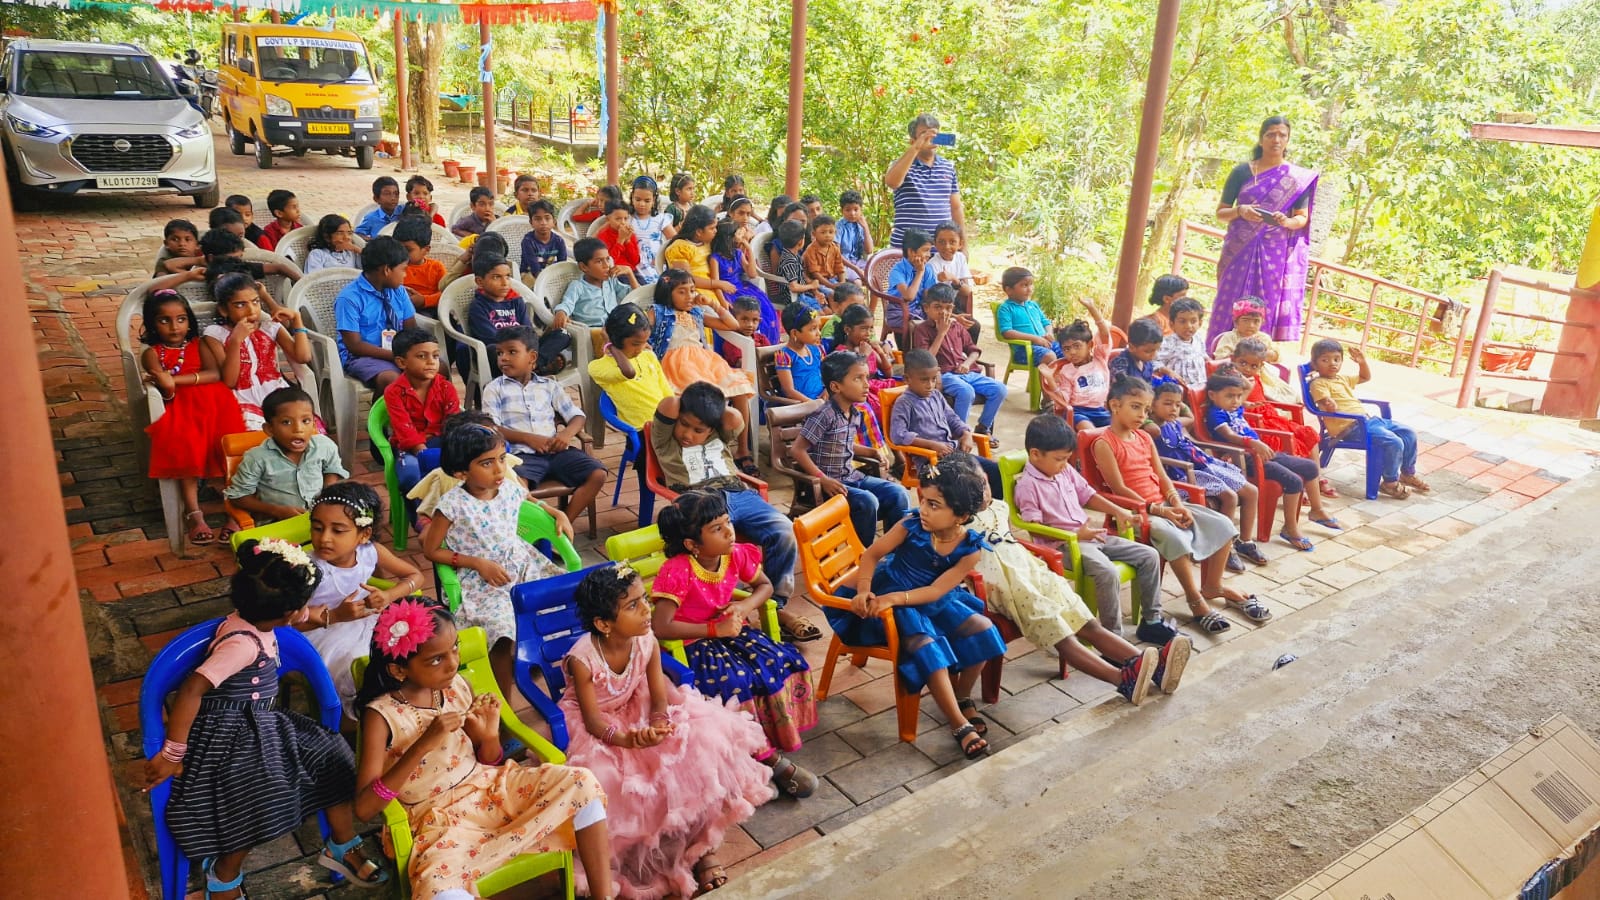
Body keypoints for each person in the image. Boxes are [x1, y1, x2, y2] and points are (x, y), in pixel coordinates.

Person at [143, 539, 386, 900]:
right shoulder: (241, 644)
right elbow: (192, 689)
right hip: (228, 737)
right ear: (288, 612)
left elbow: (307, 618)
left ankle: (341, 842)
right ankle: (223, 875)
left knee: (331, 754)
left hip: (264, 724)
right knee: (260, 795)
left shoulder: (259, 615)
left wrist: (337, 615)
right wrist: (173, 753)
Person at [354, 600, 612, 900]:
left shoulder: (455, 686)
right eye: (436, 660)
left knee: (582, 783)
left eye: (455, 648)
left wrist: (489, 737)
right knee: (440, 891)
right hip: (437, 821)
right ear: (398, 669)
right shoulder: (381, 716)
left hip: (490, 791)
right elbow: (364, 809)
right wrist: (422, 745)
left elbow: (488, 759)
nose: (453, 663)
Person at [561, 565, 774, 897]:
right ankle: (630, 862)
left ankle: (700, 848)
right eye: (633, 605)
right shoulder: (583, 658)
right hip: (601, 727)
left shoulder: (646, 639)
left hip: (639, 704)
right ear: (604, 624)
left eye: (644, 599)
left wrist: (659, 722)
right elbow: (593, 722)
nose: (646, 610)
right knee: (609, 780)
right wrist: (628, 740)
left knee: (699, 746)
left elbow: (658, 695)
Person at [826, 454, 1004, 758]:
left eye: (934, 505)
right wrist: (865, 590)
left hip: (930, 600)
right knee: (927, 648)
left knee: (985, 630)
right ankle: (958, 723)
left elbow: (936, 591)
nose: (923, 509)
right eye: (924, 500)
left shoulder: (969, 549)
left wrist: (896, 598)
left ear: (961, 516)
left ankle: (961, 696)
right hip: (893, 596)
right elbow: (871, 555)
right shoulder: (911, 525)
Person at [651, 491, 819, 795]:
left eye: (727, 522)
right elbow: (661, 626)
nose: (729, 531)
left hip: (731, 631)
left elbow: (765, 586)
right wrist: (713, 629)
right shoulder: (678, 570)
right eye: (717, 528)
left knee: (783, 659)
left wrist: (743, 607)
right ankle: (761, 756)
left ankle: (772, 736)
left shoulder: (736, 554)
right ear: (692, 544)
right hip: (693, 643)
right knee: (735, 682)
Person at [969, 482, 1188, 699]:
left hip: (1035, 575)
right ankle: (1122, 680)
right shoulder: (959, 525)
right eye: (977, 486)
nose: (985, 491)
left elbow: (1012, 543)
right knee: (1062, 635)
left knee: (1088, 623)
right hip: (1008, 589)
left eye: (986, 483)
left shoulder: (999, 506)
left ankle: (1153, 667)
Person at [1090, 376, 1268, 629]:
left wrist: (1178, 504)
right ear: (1115, 405)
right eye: (1135, 407)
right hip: (1136, 513)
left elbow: (1162, 477)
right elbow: (1119, 489)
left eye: (1146, 409)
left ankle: (1213, 586)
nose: (1142, 415)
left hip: (1164, 505)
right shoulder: (1104, 443)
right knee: (1173, 537)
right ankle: (1195, 600)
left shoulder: (1144, 438)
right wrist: (1161, 511)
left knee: (1223, 525)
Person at [652, 384, 819, 642]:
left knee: (785, 531)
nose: (687, 434)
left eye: (698, 430)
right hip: (701, 500)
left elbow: (734, 416)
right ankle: (721, 606)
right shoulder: (666, 441)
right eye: (684, 424)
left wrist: (712, 408)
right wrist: (694, 403)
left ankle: (775, 607)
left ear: (712, 428)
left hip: (739, 493)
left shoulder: (719, 435)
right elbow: (669, 405)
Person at [419, 423, 573, 696]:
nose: (499, 469)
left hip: (523, 566)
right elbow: (431, 551)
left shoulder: (509, 488)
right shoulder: (452, 505)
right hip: (482, 581)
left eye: (502, 458)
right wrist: (477, 563)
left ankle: (553, 673)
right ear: (461, 472)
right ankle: (502, 704)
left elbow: (530, 500)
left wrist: (556, 512)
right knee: (502, 633)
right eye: (486, 463)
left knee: (563, 605)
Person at [1014, 413, 1174, 642]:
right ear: (1035, 454)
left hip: (1091, 537)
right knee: (1107, 572)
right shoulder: (1027, 486)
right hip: (1063, 546)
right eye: (1059, 459)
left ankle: (1151, 621)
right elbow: (1033, 528)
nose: (1064, 464)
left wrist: (1118, 511)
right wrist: (1075, 534)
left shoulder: (1064, 470)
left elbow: (1088, 495)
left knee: (1149, 555)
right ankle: (1112, 638)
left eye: (1067, 459)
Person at [301, 481, 424, 712]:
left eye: (338, 531)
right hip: (321, 631)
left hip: (366, 620)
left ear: (364, 534)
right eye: (317, 528)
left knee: (407, 643)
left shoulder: (370, 552)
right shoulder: (305, 568)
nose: (324, 538)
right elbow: (286, 621)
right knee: (358, 661)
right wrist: (336, 616)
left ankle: (403, 704)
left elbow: (415, 576)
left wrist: (388, 595)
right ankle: (364, 714)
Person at [139, 288, 247, 546]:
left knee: (227, 447)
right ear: (152, 323)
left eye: (181, 319)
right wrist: (167, 383)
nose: (174, 326)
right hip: (182, 407)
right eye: (164, 320)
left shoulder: (200, 344)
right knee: (186, 445)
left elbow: (214, 374)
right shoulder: (152, 353)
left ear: (189, 320)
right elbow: (164, 388)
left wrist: (175, 379)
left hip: (217, 403)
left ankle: (235, 508)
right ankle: (193, 512)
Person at [1208, 115, 1318, 346]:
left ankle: (1256, 357)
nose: (1276, 140)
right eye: (1270, 135)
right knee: (1228, 300)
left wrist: (1286, 222)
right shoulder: (1242, 172)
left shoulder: (1296, 178)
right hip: (1238, 248)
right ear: (1261, 139)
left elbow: (1302, 218)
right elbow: (1221, 212)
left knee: (1264, 301)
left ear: (1287, 140)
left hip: (1273, 252)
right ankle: (1217, 352)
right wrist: (1240, 211)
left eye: (1282, 135)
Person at [1202, 367, 1334, 552]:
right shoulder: (1216, 414)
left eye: (1238, 396)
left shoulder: (1234, 407)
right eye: (1230, 396)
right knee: (1294, 481)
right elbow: (1230, 436)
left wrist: (1238, 378)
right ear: (1212, 395)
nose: (1236, 401)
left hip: (1260, 453)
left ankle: (1316, 510)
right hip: (1245, 460)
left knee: (1311, 467)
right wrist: (1253, 443)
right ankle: (1290, 528)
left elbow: (1245, 391)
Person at [482, 325, 608, 513]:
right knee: (515, 487)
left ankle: (564, 525)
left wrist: (566, 434)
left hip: (556, 452)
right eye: (500, 353)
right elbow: (492, 428)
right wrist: (529, 439)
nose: (503, 358)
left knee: (598, 474)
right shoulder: (494, 388)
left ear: (532, 357)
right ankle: (537, 525)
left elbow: (577, 416)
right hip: (521, 457)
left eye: (512, 352)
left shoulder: (549, 386)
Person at [791, 352, 909, 545]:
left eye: (866, 377)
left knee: (898, 493)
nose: (866, 384)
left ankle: (892, 550)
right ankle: (862, 554)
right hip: (828, 485)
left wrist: (872, 452)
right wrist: (823, 479)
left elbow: (842, 443)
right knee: (867, 501)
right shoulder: (824, 415)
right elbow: (797, 450)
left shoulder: (854, 412)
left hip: (851, 477)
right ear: (836, 387)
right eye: (858, 379)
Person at [648, 269, 759, 473]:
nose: (689, 296)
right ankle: (700, 451)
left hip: (705, 362)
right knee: (695, 399)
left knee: (740, 390)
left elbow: (732, 324)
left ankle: (742, 449)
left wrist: (712, 304)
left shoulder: (697, 312)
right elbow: (641, 330)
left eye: (692, 290)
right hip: (677, 365)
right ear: (667, 292)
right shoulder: (658, 311)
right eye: (682, 291)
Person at [1147, 380, 1267, 569]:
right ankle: (1225, 548)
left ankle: (1245, 542)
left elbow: (1190, 417)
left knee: (1252, 491)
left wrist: (1179, 405)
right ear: (1152, 405)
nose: (1174, 409)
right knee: (1230, 497)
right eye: (1167, 403)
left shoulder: (1174, 423)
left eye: (1177, 404)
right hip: (1183, 473)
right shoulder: (1152, 429)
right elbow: (1151, 428)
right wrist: (1150, 414)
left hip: (1204, 464)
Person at [1307, 338, 1430, 498]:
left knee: (1408, 433)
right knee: (1394, 442)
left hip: (1368, 421)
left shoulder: (1341, 378)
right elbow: (1324, 401)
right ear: (1315, 364)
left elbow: (1364, 377)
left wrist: (1362, 362)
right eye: (1325, 360)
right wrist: (1329, 403)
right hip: (1352, 428)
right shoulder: (1318, 384)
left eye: (1337, 359)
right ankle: (1390, 482)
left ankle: (1407, 473)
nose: (1332, 364)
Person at [203, 271, 314, 430]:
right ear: (223, 310)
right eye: (240, 305)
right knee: (256, 433)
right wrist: (235, 341)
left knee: (298, 429)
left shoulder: (270, 327)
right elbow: (230, 381)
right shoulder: (216, 334)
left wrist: (297, 320)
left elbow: (303, 357)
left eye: (255, 302)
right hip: (243, 398)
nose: (251, 310)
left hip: (278, 394)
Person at [224, 386, 347, 525]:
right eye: (286, 422)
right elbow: (238, 497)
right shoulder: (257, 458)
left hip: (320, 520)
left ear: (314, 424)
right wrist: (277, 511)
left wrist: (327, 493)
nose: (298, 429)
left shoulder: (324, 445)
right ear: (269, 429)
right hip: (277, 525)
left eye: (306, 421)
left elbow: (332, 469)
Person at [892, 349, 1002, 497]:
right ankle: (966, 510)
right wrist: (932, 445)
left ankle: (991, 509)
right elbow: (898, 435)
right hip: (930, 466)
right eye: (924, 380)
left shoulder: (936, 396)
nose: (930, 385)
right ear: (907, 379)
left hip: (954, 456)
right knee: (967, 481)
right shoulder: (904, 403)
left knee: (996, 472)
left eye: (933, 379)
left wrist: (966, 433)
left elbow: (952, 419)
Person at [912, 283, 1008, 442]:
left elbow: (973, 350)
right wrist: (941, 333)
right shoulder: (922, 330)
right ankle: (959, 433)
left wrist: (967, 364)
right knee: (966, 392)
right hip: (943, 375)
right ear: (926, 308)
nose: (943, 312)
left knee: (1000, 389)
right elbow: (926, 360)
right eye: (938, 307)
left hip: (966, 372)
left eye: (948, 308)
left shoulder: (957, 327)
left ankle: (983, 427)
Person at [334, 236, 417, 392]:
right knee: (392, 379)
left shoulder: (398, 291)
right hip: (362, 356)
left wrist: (415, 353)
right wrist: (396, 356)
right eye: (403, 270)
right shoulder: (349, 298)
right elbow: (354, 345)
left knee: (438, 369)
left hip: (399, 352)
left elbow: (411, 328)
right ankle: (383, 408)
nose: (405, 275)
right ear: (386, 270)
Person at [384, 328, 460, 493]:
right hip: (409, 448)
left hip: (442, 441)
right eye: (422, 356)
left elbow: (453, 423)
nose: (431, 362)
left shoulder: (446, 388)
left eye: (435, 356)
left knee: (462, 468)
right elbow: (404, 429)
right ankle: (417, 510)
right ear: (401, 362)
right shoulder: (393, 392)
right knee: (410, 475)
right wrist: (424, 454)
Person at [884, 112, 965, 248]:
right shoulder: (902, 164)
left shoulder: (947, 167)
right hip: (907, 251)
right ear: (912, 140)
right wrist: (916, 148)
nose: (930, 137)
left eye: (933, 133)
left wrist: (963, 245)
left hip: (941, 251)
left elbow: (956, 208)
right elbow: (892, 182)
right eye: (923, 134)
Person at [588, 304, 674, 430]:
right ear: (616, 339)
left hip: (666, 423)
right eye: (635, 344)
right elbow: (628, 372)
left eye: (645, 342)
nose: (641, 348)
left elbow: (666, 391)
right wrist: (610, 344)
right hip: (642, 429)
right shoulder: (597, 367)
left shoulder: (648, 356)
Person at [710, 220, 778, 347]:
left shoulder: (737, 253)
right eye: (738, 233)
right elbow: (716, 283)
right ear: (729, 237)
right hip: (727, 292)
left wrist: (748, 249)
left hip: (741, 287)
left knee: (763, 309)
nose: (742, 235)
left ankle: (763, 343)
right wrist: (723, 301)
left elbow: (752, 274)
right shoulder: (715, 258)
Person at [1216, 300, 1297, 402]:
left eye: (1256, 321)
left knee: (1292, 396)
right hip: (1238, 376)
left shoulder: (1263, 338)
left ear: (1262, 322)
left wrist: (1265, 354)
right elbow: (1220, 358)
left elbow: (1277, 356)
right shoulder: (1229, 337)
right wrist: (1242, 353)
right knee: (1265, 397)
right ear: (1236, 321)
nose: (1251, 325)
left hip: (1263, 377)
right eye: (1245, 320)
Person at [831, 303, 898, 424]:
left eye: (871, 328)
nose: (868, 333)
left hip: (876, 388)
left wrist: (880, 352)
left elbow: (888, 373)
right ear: (847, 330)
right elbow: (851, 377)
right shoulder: (841, 352)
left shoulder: (867, 347)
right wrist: (864, 356)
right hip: (859, 393)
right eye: (863, 328)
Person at [553, 237, 634, 331]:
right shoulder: (578, 286)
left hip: (614, 327)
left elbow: (634, 295)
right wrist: (561, 312)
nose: (606, 265)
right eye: (599, 261)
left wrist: (630, 273)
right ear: (584, 267)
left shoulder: (611, 281)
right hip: (591, 330)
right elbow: (567, 303)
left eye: (607, 259)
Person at [663, 205, 730, 305]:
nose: (715, 231)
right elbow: (686, 280)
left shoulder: (707, 243)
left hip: (718, 290)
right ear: (699, 232)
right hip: (697, 295)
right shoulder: (680, 248)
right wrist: (718, 284)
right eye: (712, 228)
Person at [466, 253, 531, 346]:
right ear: (480, 281)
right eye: (496, 277)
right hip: (501, 350)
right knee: (494, 348)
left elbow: (528, 331)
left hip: (523, 347)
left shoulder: (516, 301)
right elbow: (493, 338)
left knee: (554, 335)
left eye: (507, 276)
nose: (505, 283)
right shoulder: (478, 307)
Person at [885, 227, 936, 336]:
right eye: (925, 250)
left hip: (920, 309)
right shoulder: (897, 271)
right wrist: (920, 272)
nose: (929, 254)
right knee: (919, 325)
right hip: (899, 311)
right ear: (911, 252)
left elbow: (929, 296)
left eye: (930, 250)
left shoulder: (928, 269)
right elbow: (909, 296)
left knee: (936, 321)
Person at [928, 222, 977, 335]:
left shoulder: (960, 258)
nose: (947, 246)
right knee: (957, 326)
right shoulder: (932, 265)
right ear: (935, 243)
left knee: (973, 326)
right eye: (941, 242)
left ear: (960, 244)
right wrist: (954, 317)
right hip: (938, 309)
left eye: (952, 242)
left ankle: (966, 347)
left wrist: (954, 279)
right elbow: (931, 302)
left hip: (954, 305)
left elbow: (967, 291)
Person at [628, 175, 676, 284]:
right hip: (633, 264)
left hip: (655, 263)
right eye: (638, 199)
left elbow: (675, 241)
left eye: (647, 201)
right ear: (632, 198)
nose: (642, 204)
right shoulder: (626, 218)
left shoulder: (660, 219)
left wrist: (662, 257)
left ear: (653, 200)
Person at [773, 302, 825, 402]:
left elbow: (827, 376)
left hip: (822, 401)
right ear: (794, 333)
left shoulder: (817, 350)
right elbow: (789, 391)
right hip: (802, 404)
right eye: (813, 329)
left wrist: (827, 391)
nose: (818, 333)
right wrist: (812, 403)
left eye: (818, 328)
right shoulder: (784, 356)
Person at [394, 215, 446, 312]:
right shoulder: (393, 266)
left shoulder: (436, 267)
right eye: (398, 248)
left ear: (426, 249)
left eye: (408, 250)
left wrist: (424, 300)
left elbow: (445, 293)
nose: (401, 253)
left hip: (428, 310)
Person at [1108, 317, 1177, 389]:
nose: (1154, 355)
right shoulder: (1121, 362)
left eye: (1157, 350)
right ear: (1132, 347)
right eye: (1148, 351)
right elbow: (1119, 386)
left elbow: (1149, 384)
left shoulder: (1147, 363)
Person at [1155, 297, 1210, 387]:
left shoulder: (1198, 339)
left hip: (1200, 385)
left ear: (1200, 323)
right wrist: (1168, 371)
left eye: (1193, 321)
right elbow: (1154, 362)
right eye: (1182, 321)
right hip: (1177, 387)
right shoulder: (1167, 343)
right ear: (1172, 324)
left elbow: (1203, 355)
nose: (1188, 326)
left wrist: (1209, 361)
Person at [772, 219, 822, 311]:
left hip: (802, 294)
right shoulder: (789, 261)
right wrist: (812, 286)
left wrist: (816, 292)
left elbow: (803, 276)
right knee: (821, 314)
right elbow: (794, 287)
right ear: (800, 242)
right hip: (793, 298)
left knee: (826, 310)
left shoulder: (796, 256)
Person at [518, 199, 568, 283]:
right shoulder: (528, 241)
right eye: (538, 219)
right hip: (530, 273)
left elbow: (562, 264)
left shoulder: (559, 241)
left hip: (551, 273)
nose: (543, 223)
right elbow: (534, 268)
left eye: (547, 218)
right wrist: (545, 283)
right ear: (531, 222)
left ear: (554, 221)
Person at [595, 200, 645, 284]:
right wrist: (620, 241)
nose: (623, 222)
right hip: (615, 273)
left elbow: (635, 261)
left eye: (625, 218)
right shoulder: (603, 236)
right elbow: (609, 262)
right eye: (618, 219)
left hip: (631, 271)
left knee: (646, 289)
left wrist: (628, 241)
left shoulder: (630, 234)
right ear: (608, 219)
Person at [719, 296, 771, 370]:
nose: (750, 325)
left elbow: (770, 355)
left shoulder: (761, 339)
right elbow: (741, 363)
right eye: (744, 319)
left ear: (759, 321)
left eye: (754, 320)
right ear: (733, 319)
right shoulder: (732, 342)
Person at [802, 214, 846, 299]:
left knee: (848, 292)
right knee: (833, 294)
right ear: (814, 234)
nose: (827, 235)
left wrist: (842, 283)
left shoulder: (835, 248)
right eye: (823, 232)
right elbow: (815, 274)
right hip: (817, 282)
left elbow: (840, 268)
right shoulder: (811, 250)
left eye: (831, 232)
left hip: (832, 279)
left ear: (835, 232)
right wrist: (831, 286)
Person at [836, 189, 875, 280]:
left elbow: (869, 250)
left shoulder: (861, 225)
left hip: (858, 262)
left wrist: (865, 228)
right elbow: (836, 255)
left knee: (875, 276)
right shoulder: (838, 227)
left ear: (861, 210)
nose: (852, 213)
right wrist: (856, 269)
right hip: (843, 264)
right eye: (848, 210)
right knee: (857, 281)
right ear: (842, 211)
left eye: (856, 209)